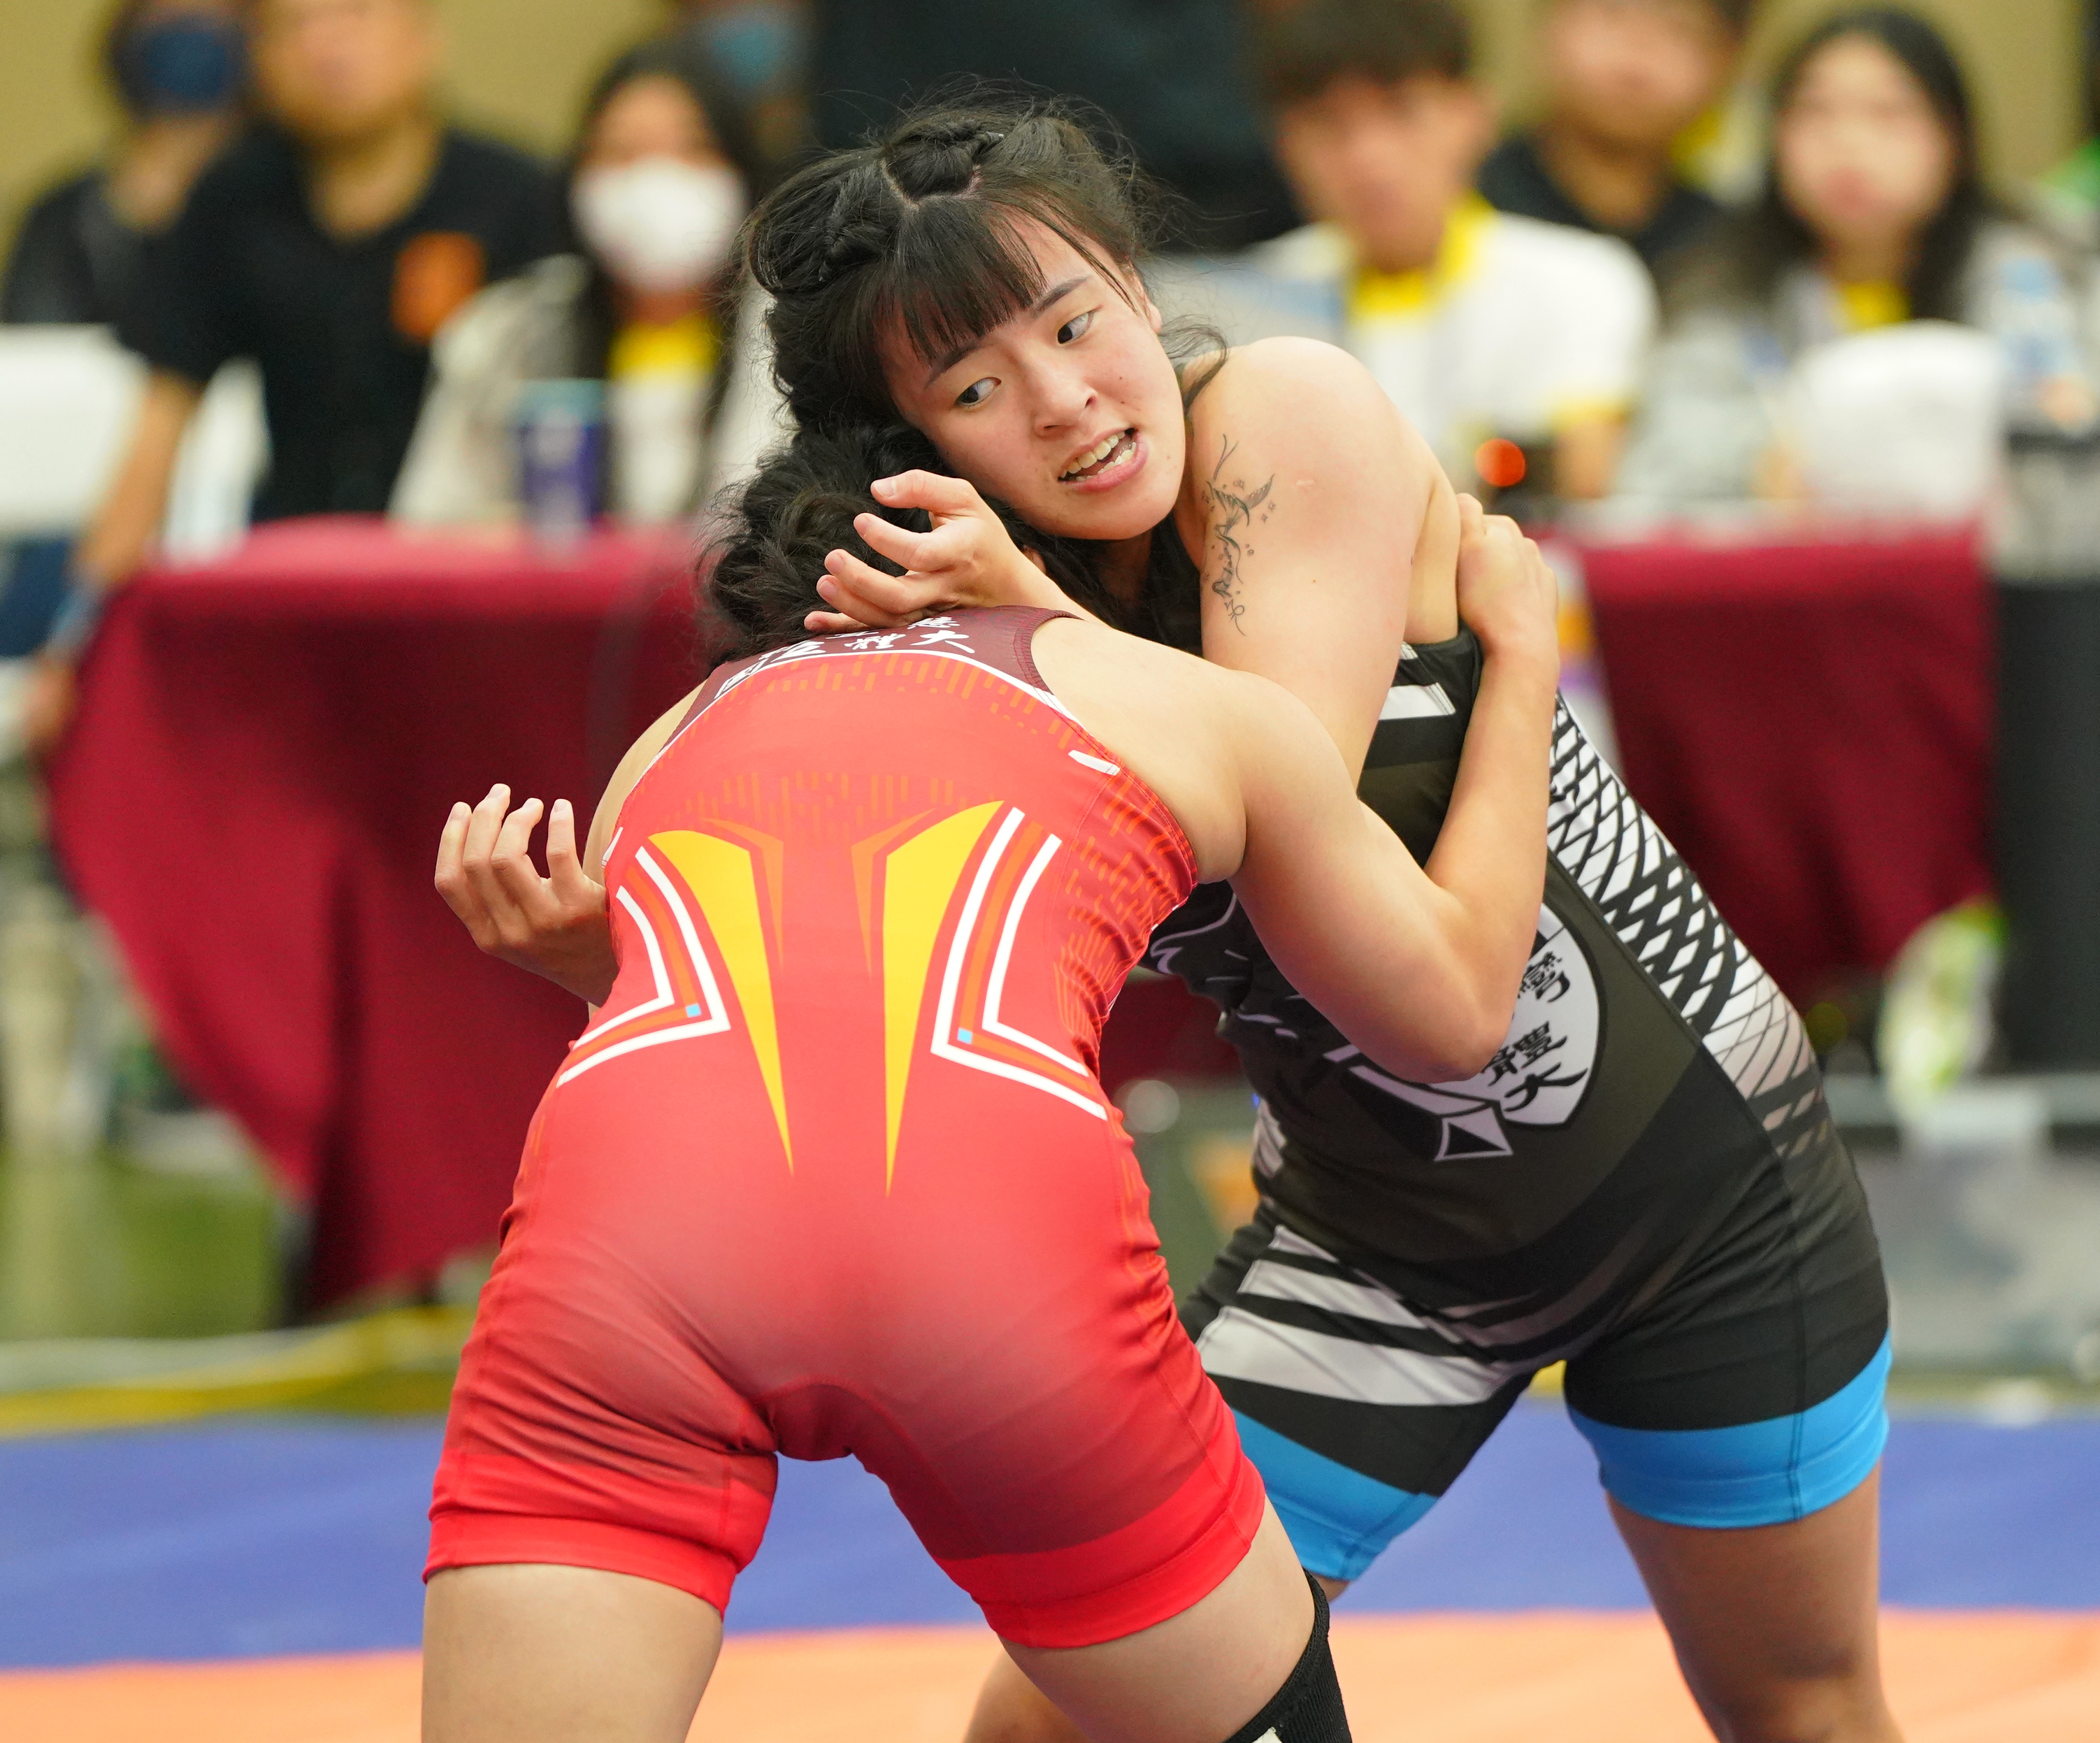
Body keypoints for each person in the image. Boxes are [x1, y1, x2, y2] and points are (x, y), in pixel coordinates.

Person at [459, 88, 1905, 1743]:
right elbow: (887, 969)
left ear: (1139, 286)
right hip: (1381, 1237)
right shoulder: (961, 598)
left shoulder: (1280, 419)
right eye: (978, 388)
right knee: (1045, 1732)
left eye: (1077, 321)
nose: (1068, 402)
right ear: (908, 448)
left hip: (1697, 1182)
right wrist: (607, 955)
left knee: (1801, 1708)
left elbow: (1280, 790)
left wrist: (1502, 665)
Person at [27, 0, 564, 746]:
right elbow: (157, 427)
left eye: (353, 15)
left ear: (422, 39)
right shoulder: (231, 199)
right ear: (259, 60)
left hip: (475, 591)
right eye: (293, 25)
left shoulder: (516, 195)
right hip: (296, 591)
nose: (324, 44)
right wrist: (75, 635)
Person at [1618, 6, 2097, 506]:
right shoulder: (1720, 285)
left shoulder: (2045, 271)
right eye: (1816, 111)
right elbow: (1658, 470)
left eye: (1888, 112)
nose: (1848, 143)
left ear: (1952, 137)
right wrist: (1763, 465)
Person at [1181, 0, 1653, 503]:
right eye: (1328, 124)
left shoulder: (1581, 280)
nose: (1367, 158)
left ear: (1475, 115)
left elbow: (1580, 482)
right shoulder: (1244, 301)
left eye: (1402, 111)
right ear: (1284, 145)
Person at [391, 37, 779, 528]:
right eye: (620, 152)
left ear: (744, 173)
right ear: (576, 178)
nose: (653, 182)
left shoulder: (799, 335)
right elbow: (427, 527)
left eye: (692, 149)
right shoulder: (507, 334)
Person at [1, 0, 246, 330]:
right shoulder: (64, 216)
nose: (192, 29)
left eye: (214, 17)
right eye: (170, 15)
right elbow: (36, 337)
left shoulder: (287, 204)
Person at [1476, 0, 1751, 281]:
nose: (1639, 45)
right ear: (1548, 22)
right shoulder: (1467, 194)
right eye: (1612, 12)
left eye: (1680, 27)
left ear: (1728, 59)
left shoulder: (1732, 248)